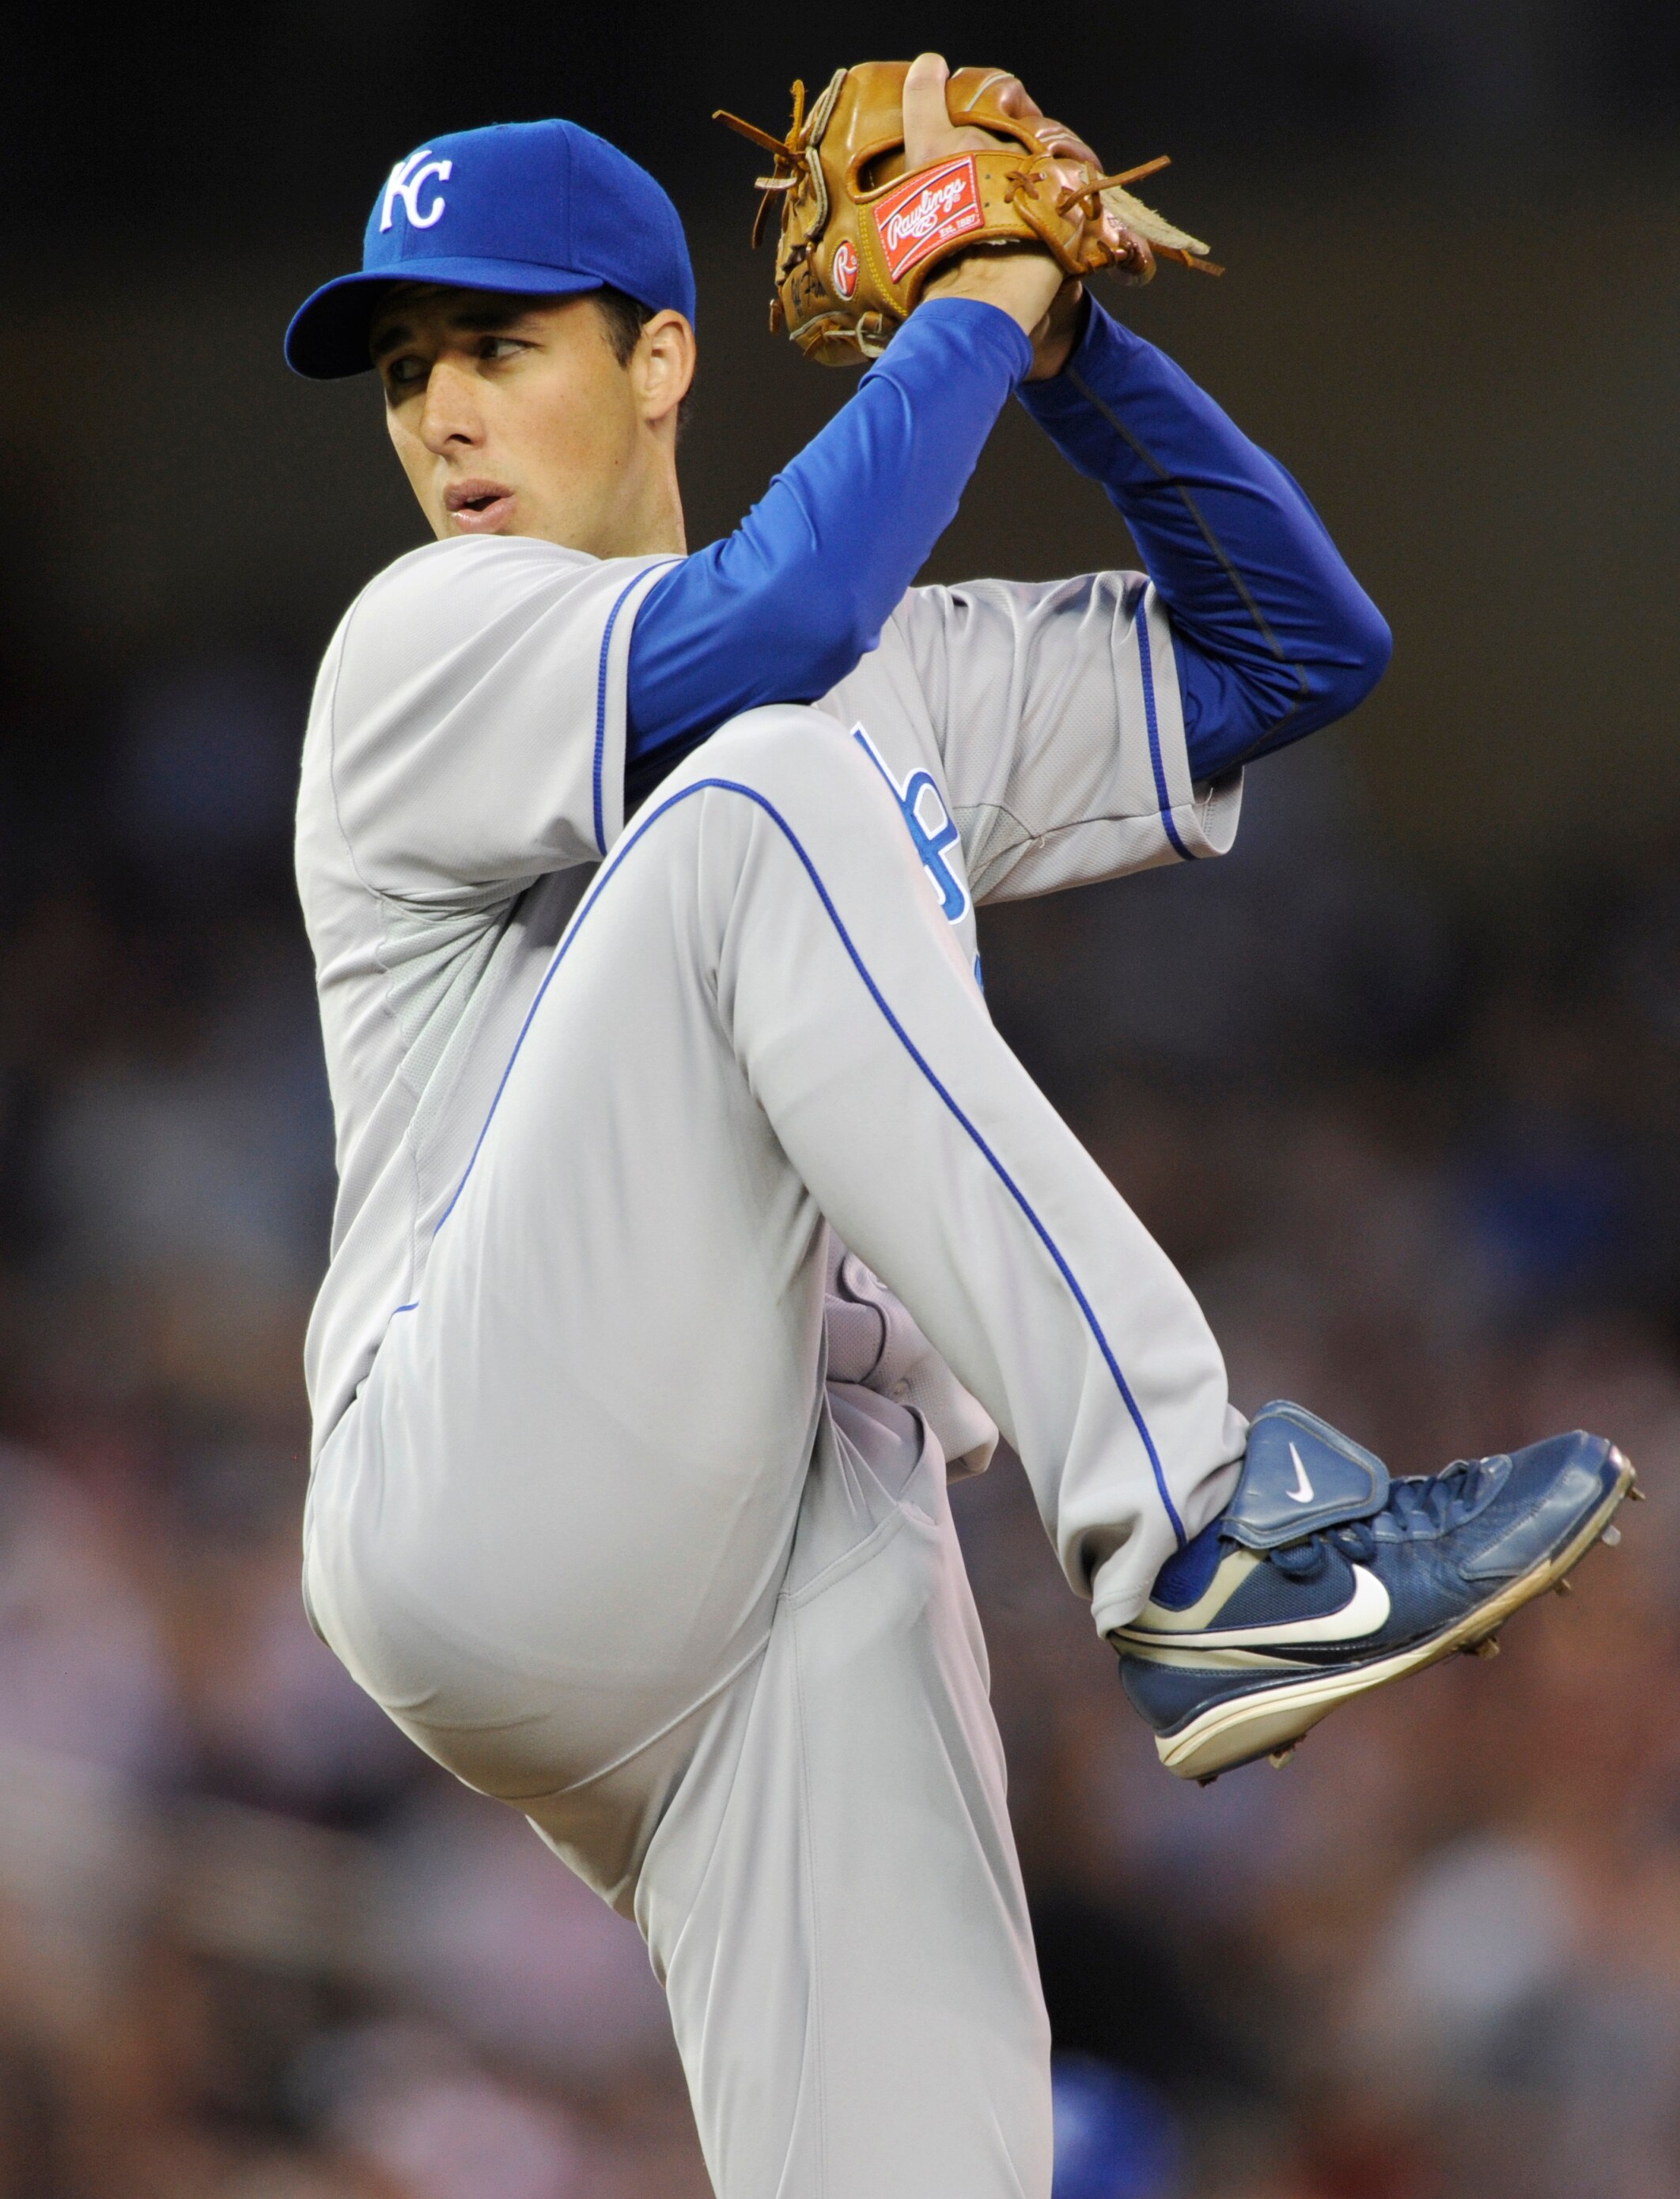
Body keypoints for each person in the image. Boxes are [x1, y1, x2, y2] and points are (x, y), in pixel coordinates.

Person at [284, 58, 1631, 2199]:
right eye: (406, 367)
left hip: (788, 1564)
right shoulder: (418, 645)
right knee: (776, 794)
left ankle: (1196, 1551)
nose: (439, 410)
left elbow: (1289, 650)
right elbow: (775, 639)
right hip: (490, 1476)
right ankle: (1201, 1531)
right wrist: (970, 306)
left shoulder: (855, 652)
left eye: (497, 348)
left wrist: (1076, 334)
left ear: (656, 364)